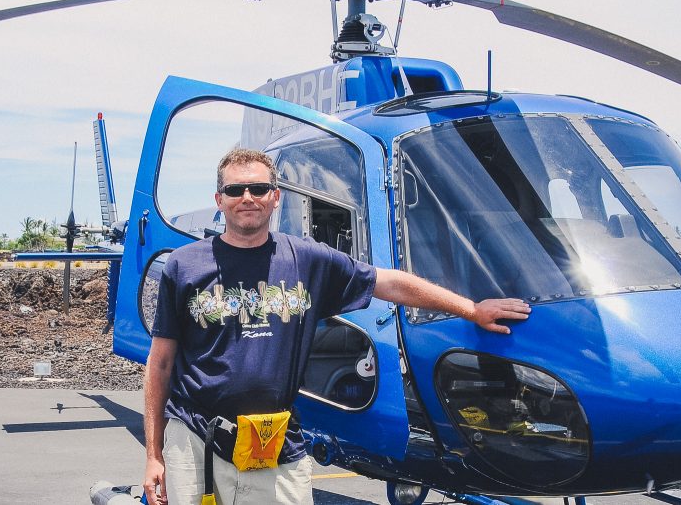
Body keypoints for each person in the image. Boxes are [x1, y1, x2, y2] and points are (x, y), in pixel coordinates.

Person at [143, 148, 531, 505]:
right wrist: (153, 454)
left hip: (272, 440)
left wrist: (471, 309)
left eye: (259, 188)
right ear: (220, 200)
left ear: (276, 197)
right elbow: (159, 364)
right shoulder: (185, 265)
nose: (248, 197)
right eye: (236, 189)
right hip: (195, 440)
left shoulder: (307, 260)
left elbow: (389, 282)